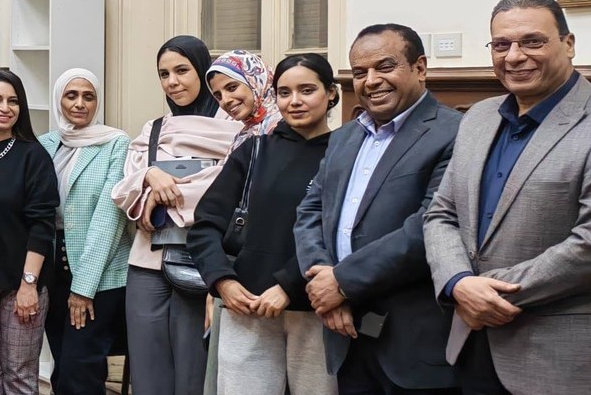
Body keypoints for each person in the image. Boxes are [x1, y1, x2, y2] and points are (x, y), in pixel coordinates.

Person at [423, 0, 591, 395]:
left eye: (532, 41)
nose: (514, 56)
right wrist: (458, 282)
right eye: (501, 44)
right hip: (473, 346)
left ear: (568, 44)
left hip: (563, 362)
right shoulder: (479, 117)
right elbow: (441, 213)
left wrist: (487, 292)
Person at [293, 24, 461, 395]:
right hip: (345, 333)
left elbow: (427, 228)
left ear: (419, 67)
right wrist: (324, 282)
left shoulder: (454, 133)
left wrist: (342, 282)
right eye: (359, 72)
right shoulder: (343, 137)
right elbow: (309, 213)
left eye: (385, 67)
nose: (371, 81)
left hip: (412, 343)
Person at [188, 54, 339, 395]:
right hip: (246, 308)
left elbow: (341, 234)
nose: (295, 101)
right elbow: (205, 225)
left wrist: (288, 286)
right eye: (284, 92)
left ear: (331, 93)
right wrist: (222, 281)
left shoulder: (345, 154)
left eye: (307, 90)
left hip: (316, 311)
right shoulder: (254, 151)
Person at [111, 35, 242, 395]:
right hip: (146, 261)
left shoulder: (237, 130)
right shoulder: (152, 129)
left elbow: (226, 190)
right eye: (164, 74)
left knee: (193, 371)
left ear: (202, 70)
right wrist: (149, 177)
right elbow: (123, 189)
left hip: (204, 261)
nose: (172, 81)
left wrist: (160, 190)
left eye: (182, 70)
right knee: (147, 371)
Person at [36, 69, 132, 395]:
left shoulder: (115, 142)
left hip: (101, 275)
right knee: (63, 366)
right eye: (71, 95)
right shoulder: (45, 144)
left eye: (88, 97)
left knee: (81, 370)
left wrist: (83, 289)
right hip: (53, 271)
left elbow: (109, 219)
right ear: (58, 99)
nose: (80, 103)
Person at [0, 68, 59, 395]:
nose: (4, 108)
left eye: (13, 101)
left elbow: (42, 225)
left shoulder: (33, 155)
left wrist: (29, 284)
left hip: (22, 282)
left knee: (19, 375)